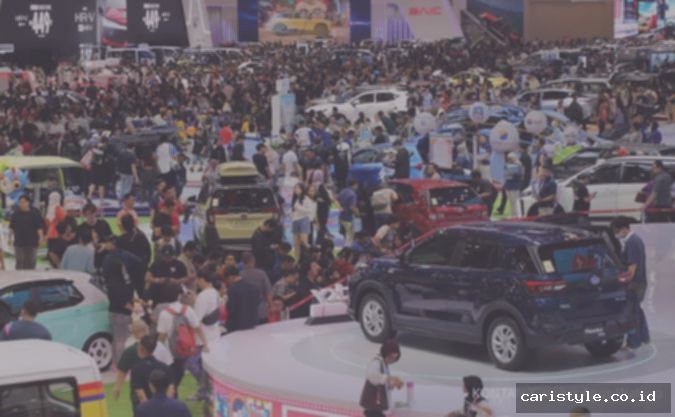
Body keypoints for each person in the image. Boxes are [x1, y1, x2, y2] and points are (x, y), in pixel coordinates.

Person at [157, 283, 210, 397]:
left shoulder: (164, 313)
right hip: (186, 349)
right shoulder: (188, 310)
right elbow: (198, 328)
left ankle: (172, 401)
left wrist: (158, 351)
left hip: (171, 352)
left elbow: (162, 336)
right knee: (177, 377)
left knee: (172, 381)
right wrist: (205, 344)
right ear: (179, 295)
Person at [611, 217, 649, 350]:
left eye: (617, 231)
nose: (616, 234)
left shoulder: (632, 242)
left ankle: (633, 342)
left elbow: (632, 266)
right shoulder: (634, 240)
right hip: (639, 281)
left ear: (624, 228)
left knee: (632, 312)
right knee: (637, 310)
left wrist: (624, 282)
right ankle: (644, 337)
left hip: (635, 283)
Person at [114, 320, 173, 400]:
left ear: (134, 334)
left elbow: (123, 370)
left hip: (141, 393)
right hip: (159, 392)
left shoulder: (131, 351)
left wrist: (118, 387)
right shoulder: (160, 346)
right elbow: (169, 367)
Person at [187, 270, 221, 402]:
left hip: (202, 338)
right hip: (214, 334)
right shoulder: (215, 292)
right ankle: (204, 391)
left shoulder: (203, 296)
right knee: (203, 365)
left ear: (201, 280)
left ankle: (205, 388)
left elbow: (196, 320)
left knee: (191, 363)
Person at [360, 339, 404, 417]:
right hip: (373, 401)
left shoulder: (384, 363)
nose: (392, 360)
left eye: (394, 358)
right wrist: (390, 378)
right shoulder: (376, 362)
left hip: (377, 403)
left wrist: (393, 385)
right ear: (385, 354)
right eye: (391, 357)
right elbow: (372, 376)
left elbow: (384, 382)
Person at [131, 334, 173, 412]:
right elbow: (171, 389)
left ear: (140, 348)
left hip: (146, 411)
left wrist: (150, 411)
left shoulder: (137, 369)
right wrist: (165, 407)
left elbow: (141, 395)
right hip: (164, 409)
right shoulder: (164, 367)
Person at [8, 195, 44, 270]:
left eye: (24, 202)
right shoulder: (15, 214)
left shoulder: (34, 214)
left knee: (30, 263)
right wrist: (9, 238)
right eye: (20, 202)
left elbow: (39, 228)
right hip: (19, 242)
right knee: (19, 262)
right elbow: (11, 227)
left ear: (28, 203)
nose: (22, 204)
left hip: (32, 243)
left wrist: (41, 238)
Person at [223, 266, 261, 333]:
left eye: (226, 280)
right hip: (253, 324)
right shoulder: (254, 287)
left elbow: (230, 309)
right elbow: (258, 302)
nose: (227, 282)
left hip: (237, 327)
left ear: (230, 277)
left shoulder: (232, 289)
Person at [240, 252, 273, 324]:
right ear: (253, 260)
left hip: (244, 311)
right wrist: (271, 306)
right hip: (261, 310)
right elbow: (268, 292)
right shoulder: (261, 273)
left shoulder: (240, 275)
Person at [291, 183, 316, 259]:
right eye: (295, 188)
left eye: (298, 188)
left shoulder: (306, 198)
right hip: (295, 221)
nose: (296, 190)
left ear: (302, 189)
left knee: (304, 242)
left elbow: (309, 210)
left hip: (304, 220)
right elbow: (293, 210)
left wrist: (298, 207)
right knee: (296, 243)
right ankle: (297, 260)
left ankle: (312, 257)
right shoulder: (295, 199)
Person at [338, 180, 360, 247]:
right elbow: (352, 207)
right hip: (348, 217)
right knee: (350, 236)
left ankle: (344, 248)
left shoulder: (342, 192)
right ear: (355, 184)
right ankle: (347, 249)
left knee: (345, 235)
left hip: (341, 216)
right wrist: (358, 213)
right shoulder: (352, 194)